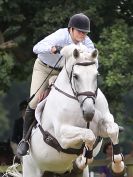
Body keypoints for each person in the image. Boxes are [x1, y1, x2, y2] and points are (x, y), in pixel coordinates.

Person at [16, 13, 112, 157]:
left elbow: (94, 62)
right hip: (44, 68)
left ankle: (106, 122)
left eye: (85, 32)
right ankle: (25, 140)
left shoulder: (87, 43)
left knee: (85, 93)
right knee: (35, 101)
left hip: (64, 72)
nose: (83, 35)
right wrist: (52, 49)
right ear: (71, 29)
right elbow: (36, 48)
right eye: (80, 31)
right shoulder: (60, 36)